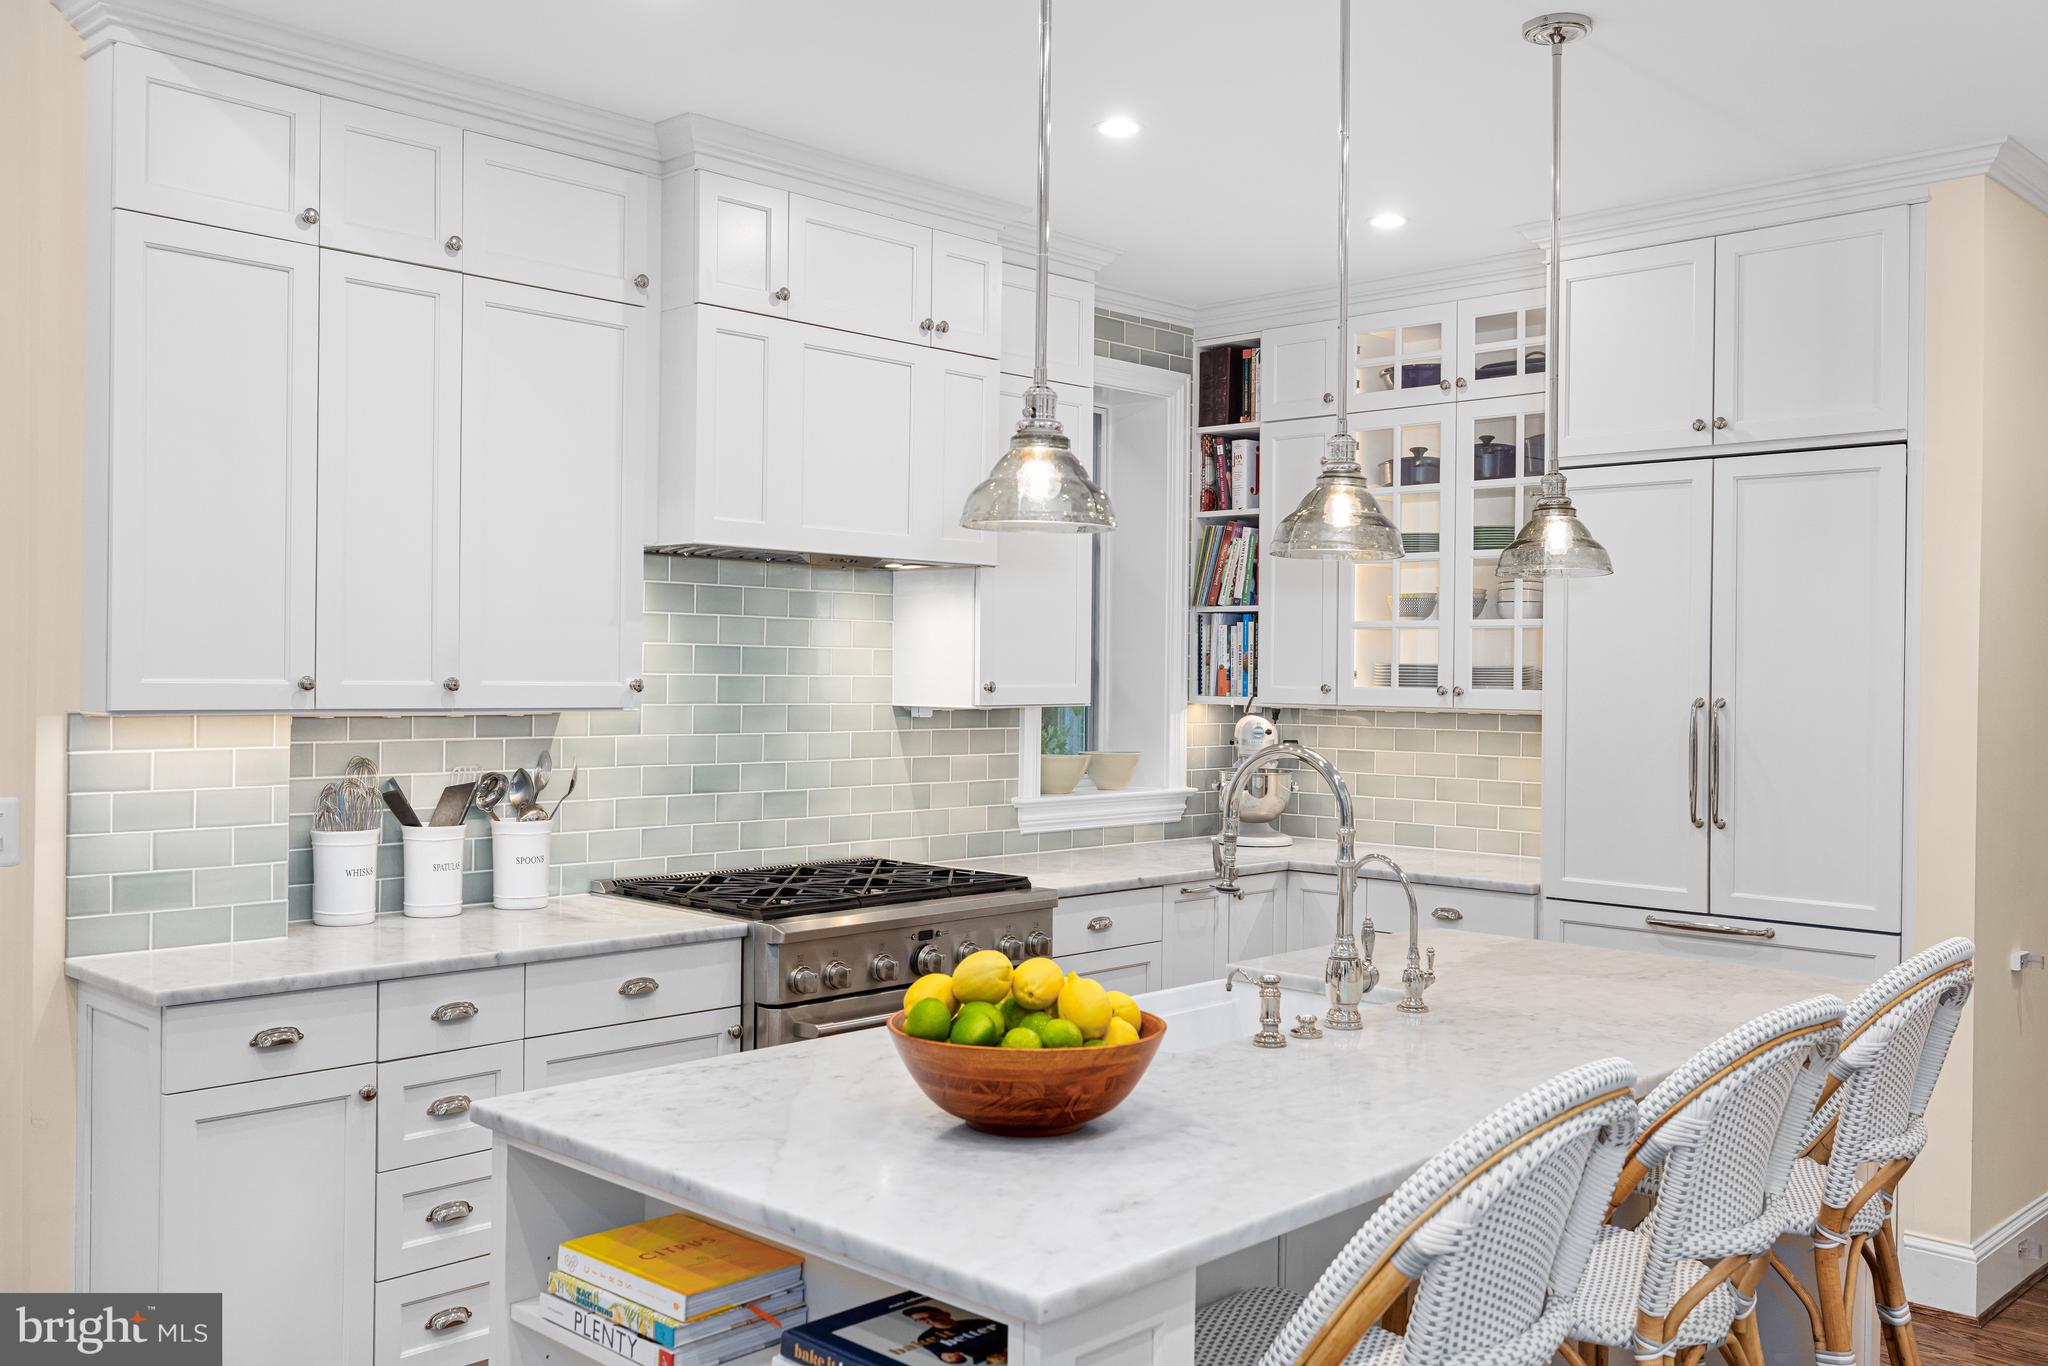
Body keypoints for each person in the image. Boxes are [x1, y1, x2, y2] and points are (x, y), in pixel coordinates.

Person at [902, 1304, 1006, 1364]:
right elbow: (944, 1356)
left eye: (933, 1316)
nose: (931, 1321)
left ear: (945, 1313)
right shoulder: (926, 1338)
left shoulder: (979, 1322)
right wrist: (949, 1357)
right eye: (922, 1320)